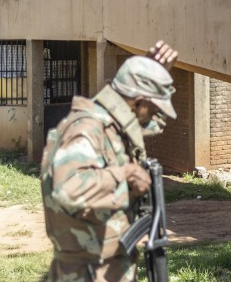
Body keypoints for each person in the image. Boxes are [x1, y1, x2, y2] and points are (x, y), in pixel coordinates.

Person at [41, 41, 180, 282]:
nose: (155, 115)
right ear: (137, 102)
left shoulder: (112, 126)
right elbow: (67, 189)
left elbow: (146, 124)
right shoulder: (87, 128)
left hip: (107, 265)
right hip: (87, 271)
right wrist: (123, 174)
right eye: (153, 107)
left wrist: (151, 71)